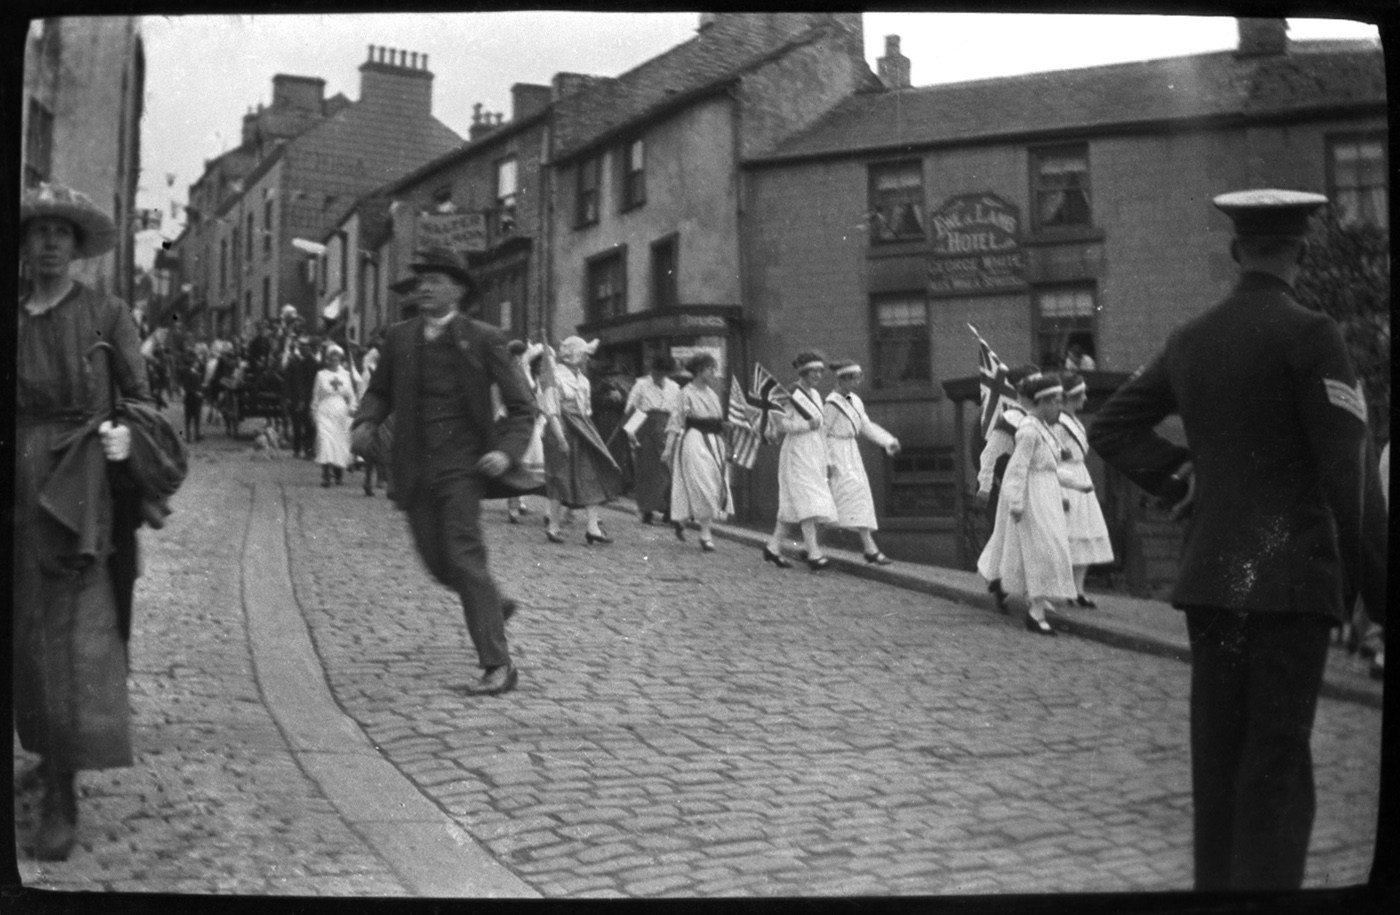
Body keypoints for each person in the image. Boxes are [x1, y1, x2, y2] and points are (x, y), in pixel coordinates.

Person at [1088, 189, 1387, 892]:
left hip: (1214, 581)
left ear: (1235, 251)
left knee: (1218, 769)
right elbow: (1349, 478)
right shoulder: (1313, 334)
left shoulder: (1191, 338)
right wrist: (1381, 595)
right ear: (1301, 252)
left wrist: (1180, 475)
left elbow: (1111, 427)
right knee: (1275, 773)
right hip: (1291, 587)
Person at [14, 183, 150, 860]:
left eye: (60, 232)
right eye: (38, 231)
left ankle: (62, 796)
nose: (48, 243)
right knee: (24, 637)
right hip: (17, 482)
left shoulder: (105, 313)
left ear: (75, 245)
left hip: (80, 489)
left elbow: (143, 399)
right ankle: (47, 752)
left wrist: (127, 434)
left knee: (70, 642)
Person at [351, 247, 536, 696]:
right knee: (437, 564)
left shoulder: (484, 338)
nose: (424, 288)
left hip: (463, 467)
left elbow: (522, 408)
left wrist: (506, 453)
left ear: (457, 290)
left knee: (465, 558)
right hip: (413, 466)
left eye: (434, 281)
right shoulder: (400, 338)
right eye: (421, 282)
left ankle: (498, 664)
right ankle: (491, 603)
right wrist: (365, 422)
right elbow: (379, 392)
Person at [977, 373, 1081, 635]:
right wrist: (997, 491)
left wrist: (1071, 489)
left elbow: (1049, 466)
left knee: (1039, 548)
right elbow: (1011, 464)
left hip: (1045, 494)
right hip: (1028, 493)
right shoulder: (1023, 426)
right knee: (1031, 547)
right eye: (1055, 401)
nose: (1060, 407)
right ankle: (1029, 604)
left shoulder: (1044, 428)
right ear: (1041, 400)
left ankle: (1029, 595)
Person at [540, 336, 624, 545]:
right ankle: (553, 526)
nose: (587, 359)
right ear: (574, 355)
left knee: (590, 474)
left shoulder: (583, 380)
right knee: (560, 477)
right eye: (584, 354)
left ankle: (593, 527)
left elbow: (586, 410)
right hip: (561, 429)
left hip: (583, 429)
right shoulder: (554, 377)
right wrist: (560, 438)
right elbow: (551, 411)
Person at [763, 351, 839, 571]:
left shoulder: (815, 394)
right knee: (807, 500)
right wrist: (806, 425)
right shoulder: (789, 393)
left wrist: (828, 459)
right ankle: (814, 553)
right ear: (803, 371)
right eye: (813, 371)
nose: (817, 375)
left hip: (814, 452)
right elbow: (780, 424)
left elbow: (821, 428)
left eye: (820, 371)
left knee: (792, 507)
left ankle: (773, 548)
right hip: (797, 452)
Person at [975, 363, 1040, 610]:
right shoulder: (1012, 419)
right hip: (1017, 486)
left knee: (1029, 538)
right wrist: (985, 486)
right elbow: (989, 454)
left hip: (1038, 486)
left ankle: (1010, 584)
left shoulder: (1040, 419)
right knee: (1015, 538)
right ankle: (1006, 583)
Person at [823, 361, 901, 565]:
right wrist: (827, 461)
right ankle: (811, 545)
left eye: (859, 378)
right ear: (842, 379)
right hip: (836, 452)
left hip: (851, 452)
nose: (858, 382)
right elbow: (822, 434)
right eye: (854, 378)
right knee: (833, 498)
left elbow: (865, 426)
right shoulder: (831, 404)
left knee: (857, 497)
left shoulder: (855, 400)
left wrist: (887, 441)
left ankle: (869, 548)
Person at [1053, 371, 1114, 607]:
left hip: (1080, 476)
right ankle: (1066, 589)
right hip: (1066, 478)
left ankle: (1078, 590)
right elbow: (1051, 456)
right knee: (1069, 536)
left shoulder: (1075, 421)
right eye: (1081, 394)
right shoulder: (1058, 422)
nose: (1085, 398)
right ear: (1070, 396)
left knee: (1085, 533)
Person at [661, 352, 732, 552]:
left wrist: (725, 430)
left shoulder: (713, 394)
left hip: (715, 442)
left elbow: (717, 419)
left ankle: (683, 520)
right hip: (695, 441)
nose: (713, 373)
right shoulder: (686, 393)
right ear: (699, 371)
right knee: (702, 484)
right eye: (710, 369)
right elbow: (676, 422)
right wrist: (668, 448)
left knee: (715, 484)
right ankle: (705, 533)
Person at [624, 354, 681, 525]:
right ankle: (647, 509)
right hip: (646, 429)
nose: (659, 376)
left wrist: (677, 431)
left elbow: (677, 412)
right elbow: (631, 408)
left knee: (669, 471)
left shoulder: (674, 387)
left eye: (663, 373)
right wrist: (631, 433)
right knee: (648, 471)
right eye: (657, 372)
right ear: (652, 370)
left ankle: (669, 509)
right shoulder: (641, 385)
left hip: (667, 429)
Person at [313, 344, 357, 487]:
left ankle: (338, 473)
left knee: (339, 442)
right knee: (324, 440)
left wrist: (352, 408)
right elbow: (316, 396)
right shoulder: (321, 375)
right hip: (324, 411)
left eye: (337, 357)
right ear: (328, 359)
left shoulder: (346, 375)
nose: (334, 360)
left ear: (340, 359)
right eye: (332, 357)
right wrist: (313, 411)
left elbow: (351, 396)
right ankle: (326, 475)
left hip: (340, 413)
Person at [282, 335, 319, 459]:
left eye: (306, 347)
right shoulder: (293, 362)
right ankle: (297, 449)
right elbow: (287, 381)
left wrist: (312, 399)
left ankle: (309, 450)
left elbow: (316, 382)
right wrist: (287, 397)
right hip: (295, 398)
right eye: (302, 347)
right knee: (296, 426)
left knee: (310, 426)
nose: (304, 349)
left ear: (309, 348)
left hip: (308, 399)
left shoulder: (313, 362)